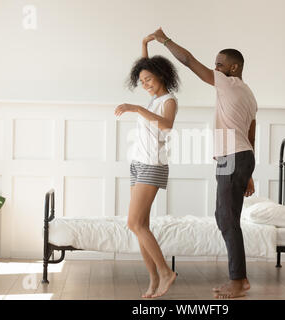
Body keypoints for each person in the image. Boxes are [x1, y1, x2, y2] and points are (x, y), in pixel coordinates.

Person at [148, 28, 257, 299]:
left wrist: (164, 40)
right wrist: (249, 174)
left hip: (233, 158)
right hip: (240, 158)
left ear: (234, 67)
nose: (215, 68)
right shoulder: (249, 94)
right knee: (226, 217)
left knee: (226, 218)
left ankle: (239, 280)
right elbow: (251, 134)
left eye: (220, 64)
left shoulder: (227, 82)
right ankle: (238, 278)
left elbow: (188, 60)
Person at [114, 34, 180, 298]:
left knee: (134, 223)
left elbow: (167, 125)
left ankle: (165, 271)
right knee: (142, 224)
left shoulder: (168, 101)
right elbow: (144, 63)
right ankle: (153, 279)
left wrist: (137, 108)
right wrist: (144, 43)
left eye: (149, 80)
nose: (145, 85)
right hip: (138, 164)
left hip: (153, 164)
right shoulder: (153, 99)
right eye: (141, 82)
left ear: (161, 76)